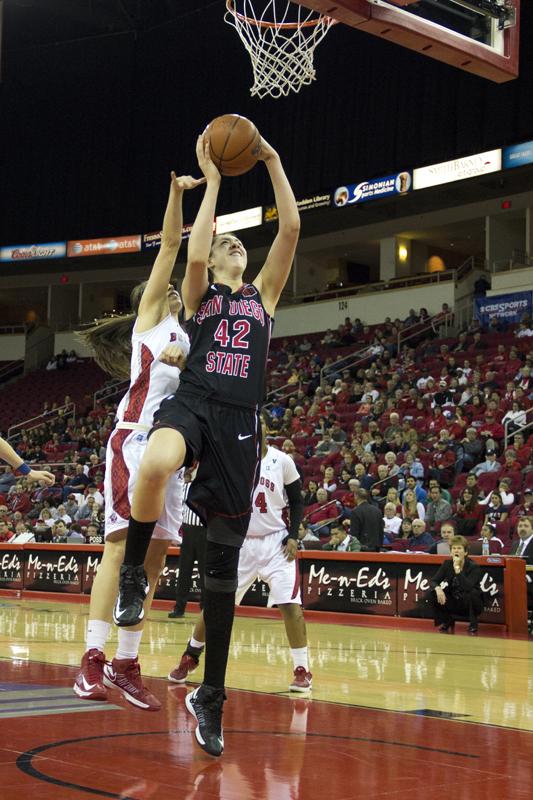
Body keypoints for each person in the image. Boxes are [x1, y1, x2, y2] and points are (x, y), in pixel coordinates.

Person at [113, 133, 300, 757]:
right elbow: (191, 248)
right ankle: (137, 579)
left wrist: (271, 160)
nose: (233, 247)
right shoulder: (202, 294)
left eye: (237, 243)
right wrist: (211, 180)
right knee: (158, 461)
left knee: (221, 577)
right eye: (225, 242)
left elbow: (291, 230)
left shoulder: (263, 299)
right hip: (193, 401)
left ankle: (210, 696)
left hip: (240, 424)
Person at [73, 171, 200, 710]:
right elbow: (173, 245)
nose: (171, 286)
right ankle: (91, 661)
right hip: (135, 439)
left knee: (154, 559)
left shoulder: (189, 332)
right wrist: (174, 195)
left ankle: (126, 662)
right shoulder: (150, 321)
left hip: (172, 451)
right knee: (121, 547)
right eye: (162, 284)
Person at [168, 413, 309, 692]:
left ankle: (302, 669)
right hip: (240, 542)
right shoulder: (234, 459)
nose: (259, 430)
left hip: (275, 543)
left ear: (268, 429)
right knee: (216, 607)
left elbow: (296, 501)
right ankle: (191, 655)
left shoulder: (283, 461)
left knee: (291, 606)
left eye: (263, 425)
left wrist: (293, 536)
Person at [168, 468, 207, 619]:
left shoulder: (206, 489)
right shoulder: (183, 488)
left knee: (204, 574)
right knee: (184, 572)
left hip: (204, 533)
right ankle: (179, 608)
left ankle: (205, 608)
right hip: (188, 533)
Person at [429, 535, 483, 635]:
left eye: (459, 548)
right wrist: (438, 588)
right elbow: (434, 581)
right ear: (451, 552)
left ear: (465, 552)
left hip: (469, 601)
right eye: (454, 548)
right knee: (433, 593)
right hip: (454, 598)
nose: (456, 551)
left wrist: (457, 570)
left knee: (473, 593)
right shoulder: (447, 564)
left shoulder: (474, 567)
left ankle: (473, 623)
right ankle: (447, 621)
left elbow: (468, 587)